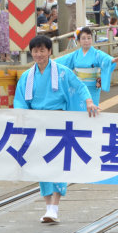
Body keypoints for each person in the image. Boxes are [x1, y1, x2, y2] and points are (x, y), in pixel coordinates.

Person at [14, 35, 98, 223]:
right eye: (35, 51)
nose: (39, 54)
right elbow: (20, 100)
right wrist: (21, 117)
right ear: (31, 53)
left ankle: (55, 206)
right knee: (41, 164)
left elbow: (80, 86)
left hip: (59, 123)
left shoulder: (62, 72)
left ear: (50, 52)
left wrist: (90, 101)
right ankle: (47, 206)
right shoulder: (27, 76)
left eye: (42, 50)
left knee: (59, 162)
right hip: (37, 124)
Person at [56, 27, 118, 107]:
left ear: (92, 39)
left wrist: (112, 60)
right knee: (78, 108)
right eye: (83, 38)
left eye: (89, 38)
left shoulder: (97, 53)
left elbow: (105, 58)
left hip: (93, 88)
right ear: (78, 41)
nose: (86, 41)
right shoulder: (75, 54)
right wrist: (50, 63)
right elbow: (63, 61)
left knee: (92, 107)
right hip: (78, 87)